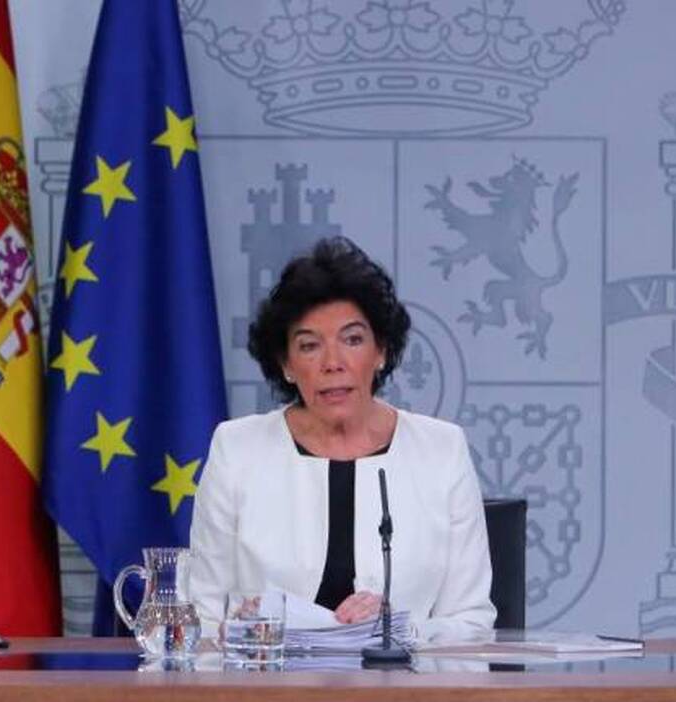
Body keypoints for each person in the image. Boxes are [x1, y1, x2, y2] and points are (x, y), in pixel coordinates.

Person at [189, 236, 496, 642]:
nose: (333, 363)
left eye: (352, 340)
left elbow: (473, 623)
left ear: (381, 350)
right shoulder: (237, 450)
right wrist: (248, 629)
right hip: (269, 677)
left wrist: (398, 630)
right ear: (286, 364)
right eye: (309, 346)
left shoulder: (441, 451)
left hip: (403, 679)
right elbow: (201, 616)